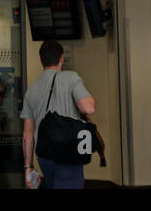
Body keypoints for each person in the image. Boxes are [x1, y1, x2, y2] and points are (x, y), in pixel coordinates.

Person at [20, 40, 96, 190]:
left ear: (41, 60)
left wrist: (28, 166)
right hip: (67, 152)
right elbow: (88, 108)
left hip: (44, 155)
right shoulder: (71, 78)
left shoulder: (31, 90)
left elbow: (27, 135)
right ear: (62, 58)